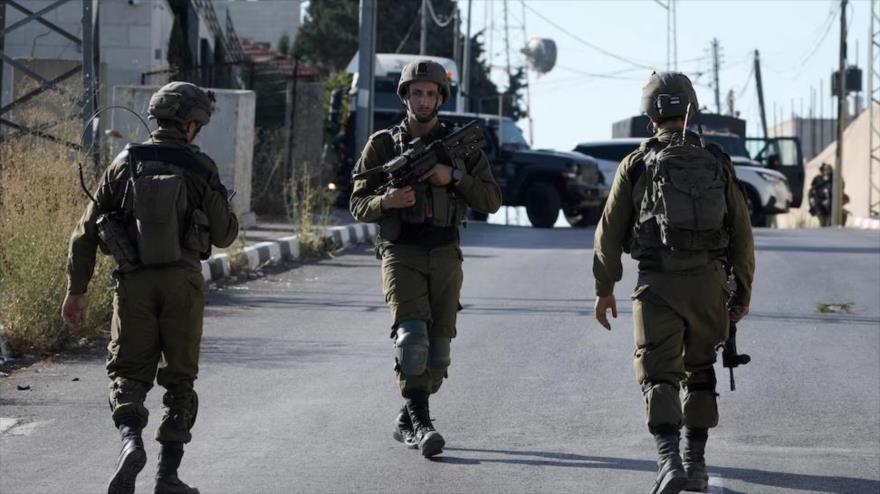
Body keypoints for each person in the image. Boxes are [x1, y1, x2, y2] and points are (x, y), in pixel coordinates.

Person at [61, 82, 239, 494]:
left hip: (134, 283)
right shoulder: (201, 167)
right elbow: (226, 235)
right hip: (183, 284)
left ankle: (130, 442)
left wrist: (77, 289)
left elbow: (84, 233)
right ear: (192, 124)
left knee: (127, 375)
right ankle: (167, 476)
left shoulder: (124, 162)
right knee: (180, 382)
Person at [592, 72, 755, 493]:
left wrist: (605, 287)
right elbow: (741, 232)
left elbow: (609, 231)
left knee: (658, 371)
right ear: (691, 111)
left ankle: (668, 462)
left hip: (658, 284)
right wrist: (743, 291)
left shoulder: (637, 163)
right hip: (709, 284)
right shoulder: (717, 161)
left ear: (650, 116)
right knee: (700, 370)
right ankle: (695, 462)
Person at [350, 60, 502, 458]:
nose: (423, 100)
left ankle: (407, 417)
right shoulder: (382, 145)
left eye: (430, 93)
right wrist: (388, 200)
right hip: (402, 254)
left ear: (440, 97)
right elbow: (356, 202)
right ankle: (423, 425)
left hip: (446, 254)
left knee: (438, 354)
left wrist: (451, 177)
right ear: (406, 96)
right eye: (416, 92)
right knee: (412, 341)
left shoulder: (457, 147)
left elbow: (491, 200)